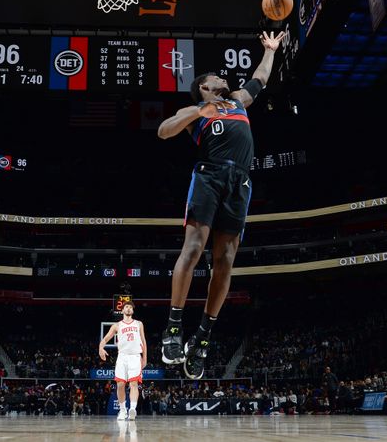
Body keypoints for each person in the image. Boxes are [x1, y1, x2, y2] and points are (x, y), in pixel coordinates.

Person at [157, 31, 285, 379]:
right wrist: (199, 112)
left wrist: (270, 50)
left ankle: (202, 337)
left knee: (225, 260)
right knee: (194, 247)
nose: (222, 76)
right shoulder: (196, 108)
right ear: (204, 86)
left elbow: (259, 78)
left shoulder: (239, 101)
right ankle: (173, 327)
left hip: (240, 181)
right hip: (209, 175)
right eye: (215, 76)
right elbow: (164, 131)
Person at [99, 301, 147, 421]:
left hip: (135, 356)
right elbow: (105, 338)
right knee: (120, 384)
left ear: (133, 311)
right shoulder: (117, 325)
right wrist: (100, 348)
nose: (129, 309)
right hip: (122, 356)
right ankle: (122, 410)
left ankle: (132, 409)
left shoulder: (139, 324)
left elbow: (144, 341)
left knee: (134, 384)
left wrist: (144, 357)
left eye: (131, 307)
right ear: (123, 310)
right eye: (126, 307)